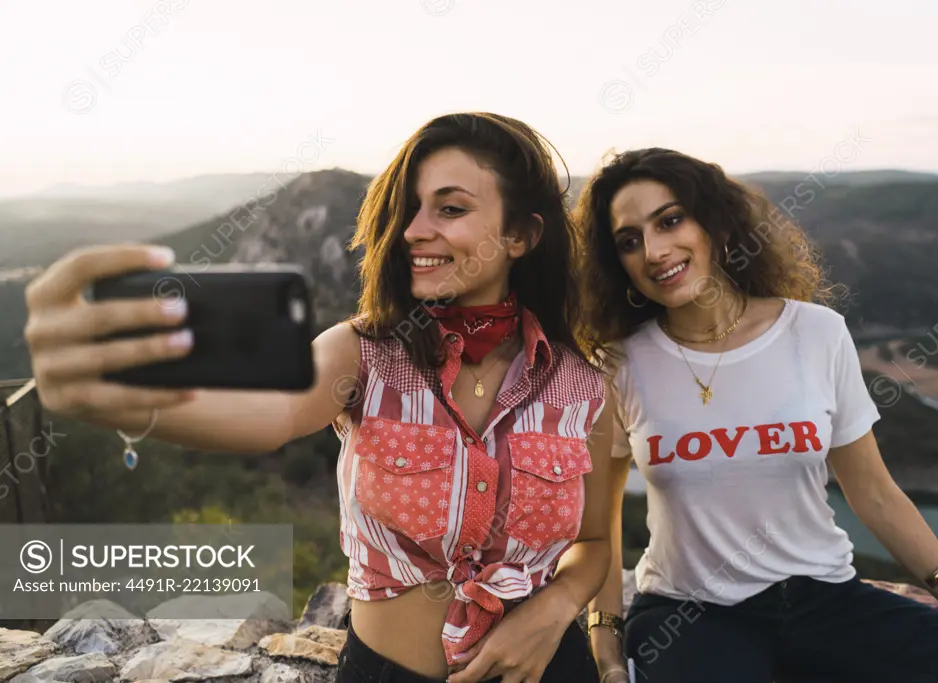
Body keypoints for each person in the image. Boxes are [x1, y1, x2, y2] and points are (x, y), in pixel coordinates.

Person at [22, 112, 614, 683]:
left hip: (546, 669)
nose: (413, 230)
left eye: (450, 208)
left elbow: (590, 544)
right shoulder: (363, 352)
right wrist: (124, 392)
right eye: (408, 211)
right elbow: (270, 414)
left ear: (521, 235)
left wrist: (554, 606)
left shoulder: (583, 385)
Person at [572, 147, 938, 683]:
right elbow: (597, 525)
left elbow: (877, 497)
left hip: (824, 599)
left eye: (671, 221)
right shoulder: (619, 364)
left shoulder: (816, 333)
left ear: (713, 223)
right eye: (629, 240)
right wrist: (607, 655)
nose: (654, 250)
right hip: (690, 614)